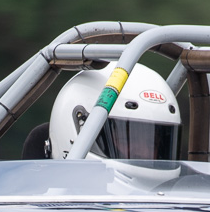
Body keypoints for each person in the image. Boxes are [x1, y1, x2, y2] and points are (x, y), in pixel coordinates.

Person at [22, 63, 181, 161]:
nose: (143, 152)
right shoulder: (41, 211)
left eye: (151, 142)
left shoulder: (179, 204)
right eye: (127, 140)